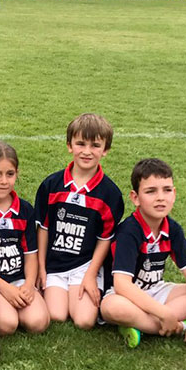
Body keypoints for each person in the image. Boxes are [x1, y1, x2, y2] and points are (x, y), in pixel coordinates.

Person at [100, 158, 186, 348]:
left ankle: (142, 325)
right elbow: (122, 285)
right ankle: (181, 326)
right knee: (112, 308)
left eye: (167, 190)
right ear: (135, 198)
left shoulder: (173, 229)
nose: (160, 197)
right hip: (126, 296)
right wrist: (164, 313)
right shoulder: (129, 231)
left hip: (157, 290)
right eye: (151, 191)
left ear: (174, 193)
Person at [35, 113, 124, 329]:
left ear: (105, 150)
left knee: (84, 320)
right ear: (69, 145)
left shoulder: (110, 193)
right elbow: (43, 229)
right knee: (56, 314)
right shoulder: (51, 185)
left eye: (95, 145)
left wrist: (91, 275)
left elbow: (105, 239)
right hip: (55, 264)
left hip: (84, 266)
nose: (87, 151)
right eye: (80, 143)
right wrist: (41, 268)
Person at [0, 141, 50, 334]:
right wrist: (4, 289)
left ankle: (16, 303)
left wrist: (29, 284)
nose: (4, 181)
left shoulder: (25, 210)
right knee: (8, 324)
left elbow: (31, 254)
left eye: (10, 174)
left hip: (19, 280)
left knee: (38, 322)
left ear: (16, 174)